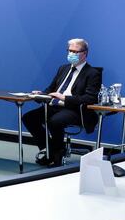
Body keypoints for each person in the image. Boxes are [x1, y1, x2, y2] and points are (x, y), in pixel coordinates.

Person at [22, 39, 102, 167]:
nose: (72, 54)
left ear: (85, 53)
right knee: (28, 118)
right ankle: (51, 151)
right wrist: (40, 94)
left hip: (74, 109)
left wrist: (64, 98)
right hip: (54, 106)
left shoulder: (93, 73)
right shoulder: (63, 69)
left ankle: (57, 154)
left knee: (55, 121)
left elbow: (90, 98)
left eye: (76, 52)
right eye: (70, 51)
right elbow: (51, 89)